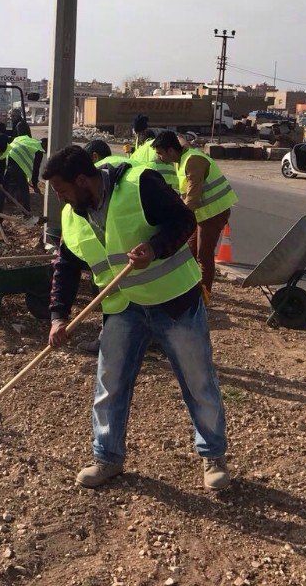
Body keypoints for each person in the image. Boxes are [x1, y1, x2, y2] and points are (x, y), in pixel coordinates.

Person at [42, 146, 229, 491]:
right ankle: (107, 457)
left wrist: (155, 248)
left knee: (197, 379)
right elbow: (66, 265)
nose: (61, 199)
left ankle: (213, 455)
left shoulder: (140, 184)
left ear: (82, 180)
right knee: (110, 383)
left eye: (62, 190)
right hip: (123, 308)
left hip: (173, 301)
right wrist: (58, 316)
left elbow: (184, 220)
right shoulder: (74, 213)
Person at [152, 130, 238, 304]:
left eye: (161, 153)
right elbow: (182, 140)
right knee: (189, 251)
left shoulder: (192, 161)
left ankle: (203, 298)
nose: (160, 158)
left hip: (214, 212)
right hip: (202, 214)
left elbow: (192, 196)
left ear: (170, 151)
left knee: (204, 255)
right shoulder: (181, 157)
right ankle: (189, 289)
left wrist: (178, 221)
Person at [0, 133, 44, 213]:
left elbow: (13, 139)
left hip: (9, 155)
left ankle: (0, 207)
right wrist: (35, 185)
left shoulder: (29, 140)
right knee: (24, 189)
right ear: (45, 146)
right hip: (18, 163)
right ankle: (27, 212)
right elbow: (36, 169)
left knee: (4, 186)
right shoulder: (39, 149)